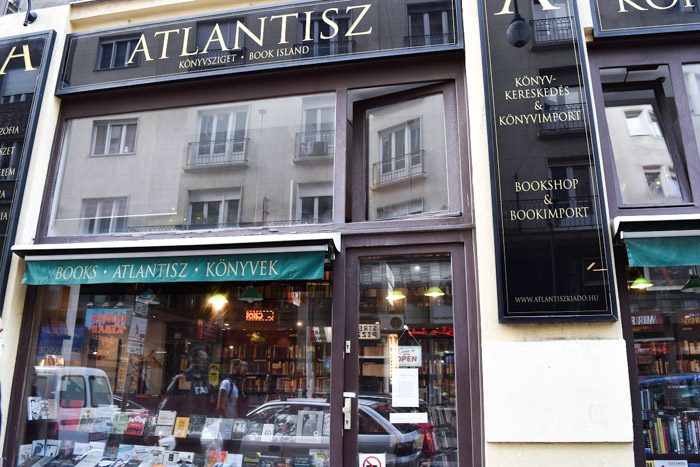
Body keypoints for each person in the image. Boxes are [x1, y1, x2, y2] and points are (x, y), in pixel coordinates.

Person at [160, 346, 216, 416]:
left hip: (201, 420)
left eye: (206, 360)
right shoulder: (182, 378)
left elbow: (210, 402)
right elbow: (167, 401)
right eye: (202, 359)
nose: (205, 362)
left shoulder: (205, 380)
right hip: (185, 421)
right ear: (192, 359)